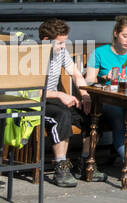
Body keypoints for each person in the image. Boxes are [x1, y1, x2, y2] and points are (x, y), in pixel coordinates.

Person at [85, 15, 127, 180]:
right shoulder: (100, 53)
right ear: (116, 33)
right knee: (119, 115)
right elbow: (88, 80)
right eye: (125, 36)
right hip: (106, 99)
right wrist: (104, 77)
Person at [36, 18, 91, 188]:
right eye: (59, 43)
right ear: (46, 40)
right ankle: (60, 167)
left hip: (56, 98)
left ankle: (85, 162)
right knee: (62, 114)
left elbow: (75, 74)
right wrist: (59, 94)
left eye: (64, 42)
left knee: (90, 113)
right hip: (37, 102)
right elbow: (30, 92)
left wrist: (85, 95)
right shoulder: (33, 56)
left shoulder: (60, 52)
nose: (62, 47)